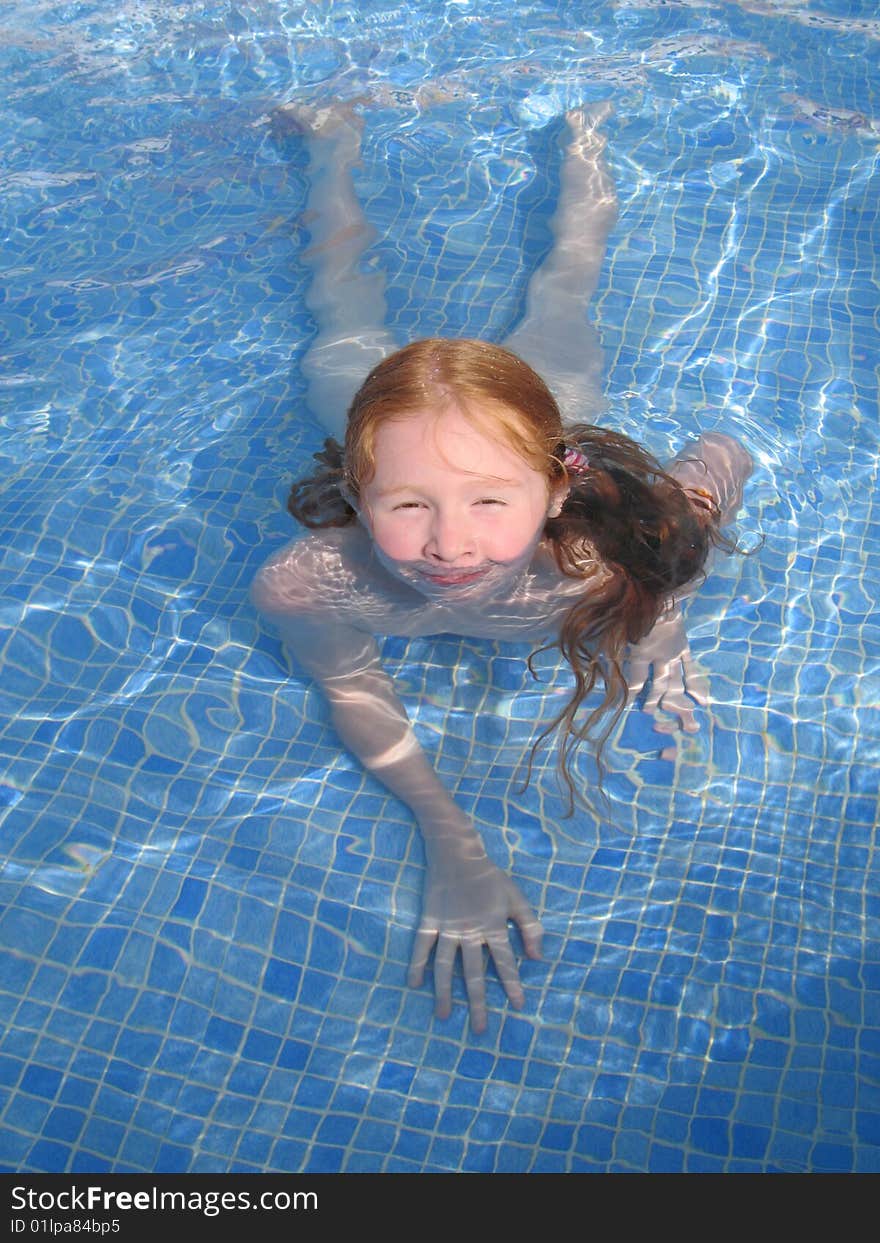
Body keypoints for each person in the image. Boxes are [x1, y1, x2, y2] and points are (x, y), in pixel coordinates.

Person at [252, 102, 752, 1032]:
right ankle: (331, 143)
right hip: (381, 410)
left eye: (491, 501)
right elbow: (347, 682)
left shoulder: (604, 555)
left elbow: (724, 451)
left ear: (558, 492)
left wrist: (660, 622)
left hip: (547, 404)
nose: (450, 546)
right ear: (357, 496)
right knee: (337, 302)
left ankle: (586, 140)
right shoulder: (309, 581)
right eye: (407, 504)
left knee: (565, 284)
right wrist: (453, 843)